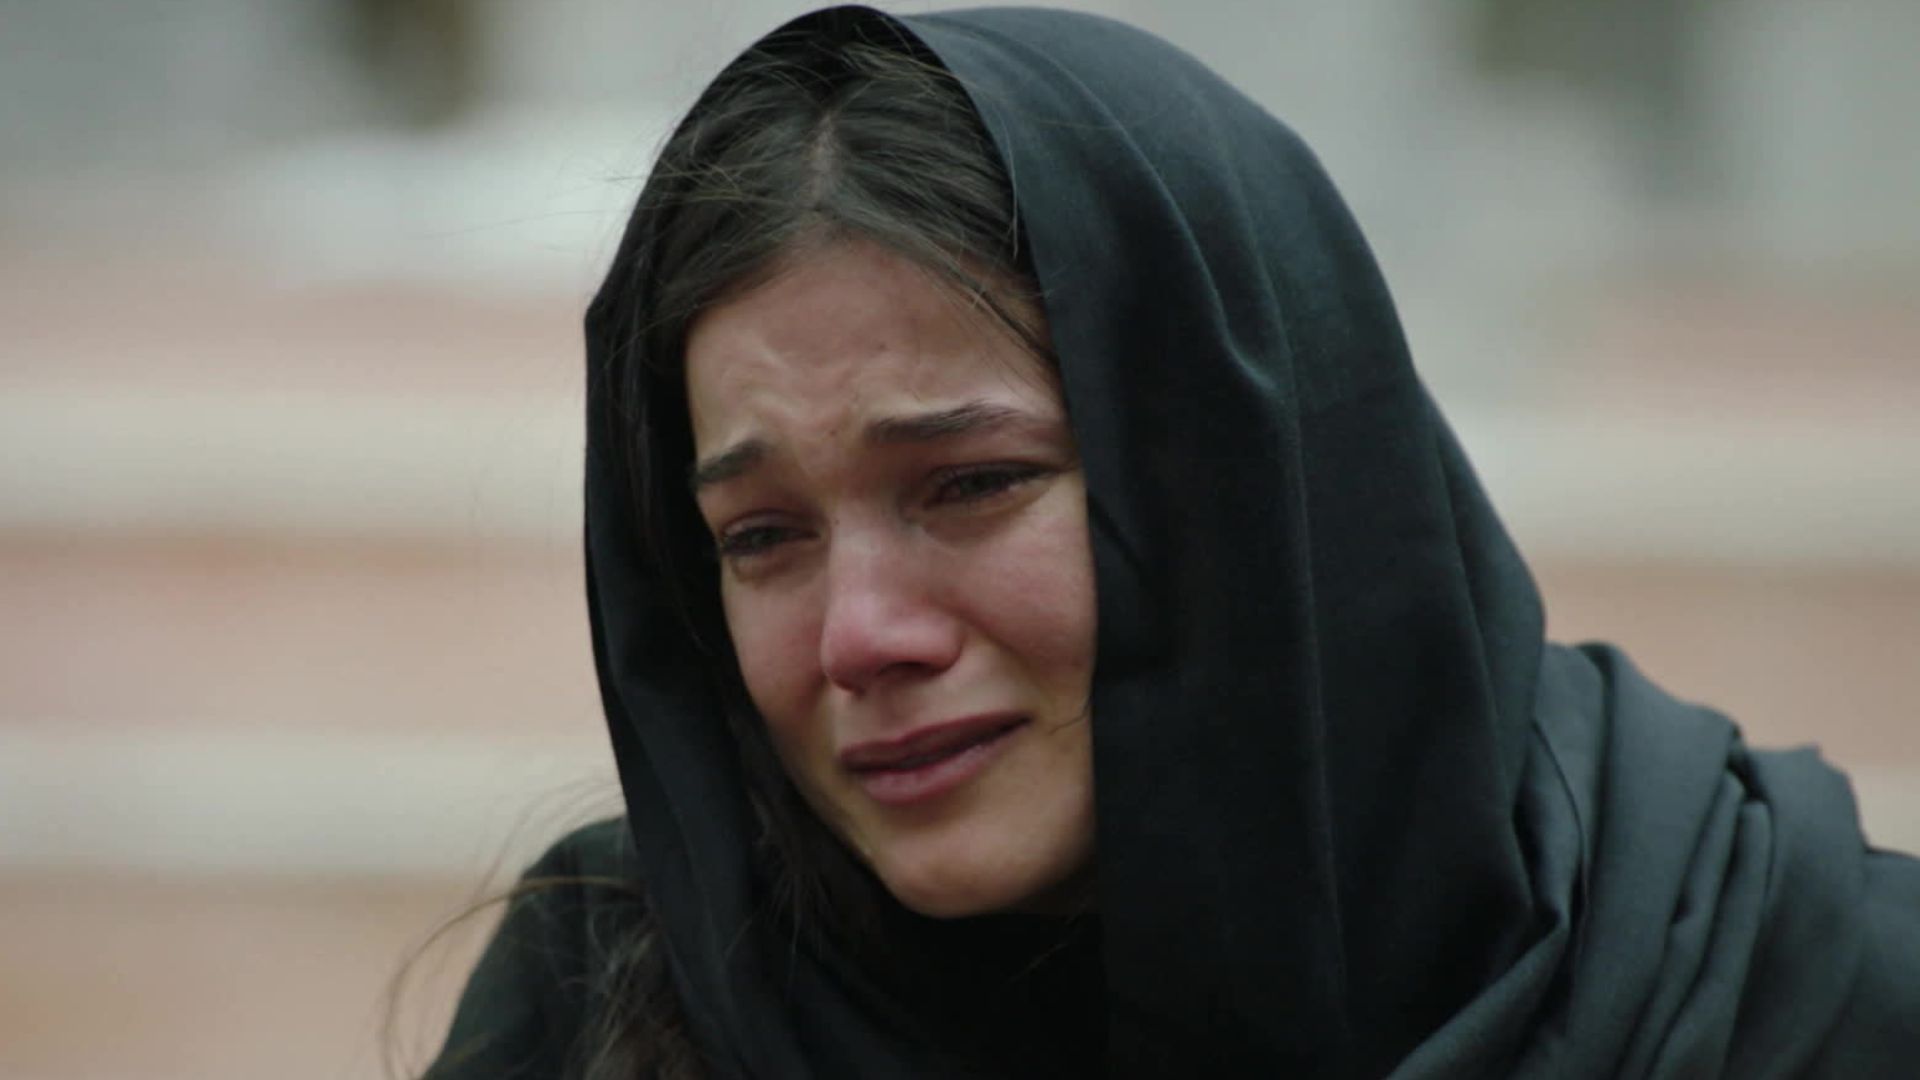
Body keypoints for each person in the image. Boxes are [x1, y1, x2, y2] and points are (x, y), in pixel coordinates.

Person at [424, 6, 1920, 1078]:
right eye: (761, 535)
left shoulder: (1791, 995)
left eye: (971, 483)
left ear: (1253, 476)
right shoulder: (615, 1005)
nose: (859, 635)